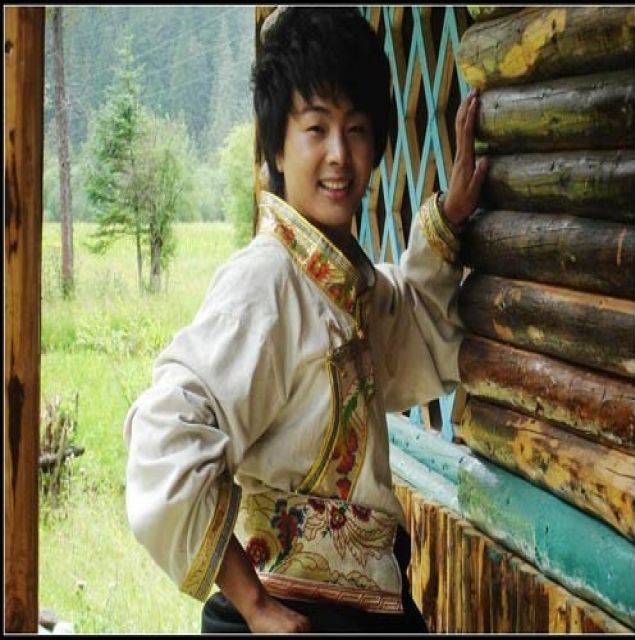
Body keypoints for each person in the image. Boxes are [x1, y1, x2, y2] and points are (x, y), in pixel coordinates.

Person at [123, 7, 488, 635]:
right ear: (276, 146)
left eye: (357, 129)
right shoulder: (264, 281)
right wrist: (255, 606)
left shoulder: (346, 284)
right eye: (315, 128)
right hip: (292, 614)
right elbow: (165, 432)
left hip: (363, 612)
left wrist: (448, 219)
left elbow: (411, 324)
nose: (339, 156)